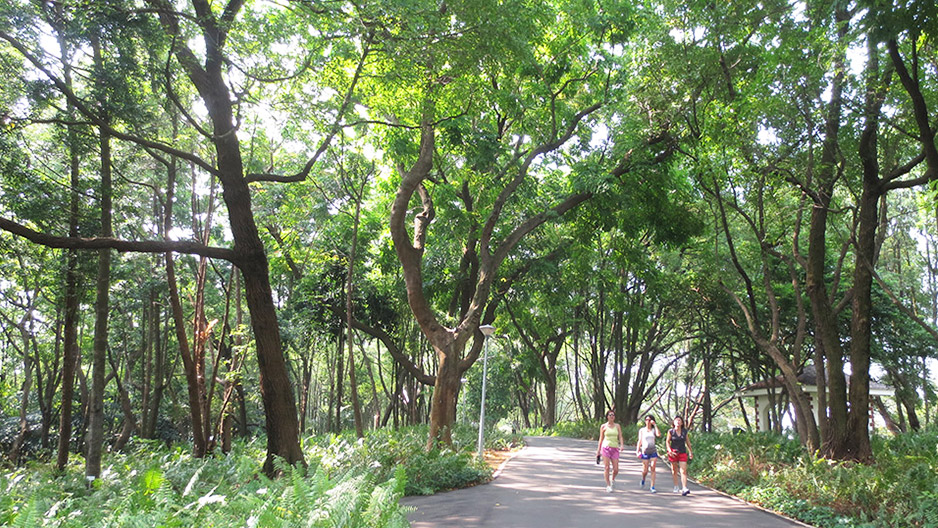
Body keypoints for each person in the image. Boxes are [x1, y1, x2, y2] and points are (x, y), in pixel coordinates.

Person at [596, 409, 623, 492]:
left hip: (615, 448)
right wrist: (598, 451)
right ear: (607, 417)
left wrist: (621, 445)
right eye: (610, 415)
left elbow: (620, 436)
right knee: (607, 467)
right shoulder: (603, 426)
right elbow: (601, 439)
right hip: (606, 448)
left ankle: (613, 479)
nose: (612, 416)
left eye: (613, 415)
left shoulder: (617, 426)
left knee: (616, 469)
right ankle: (608, 485)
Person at [666, 415, 693, 496]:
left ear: (681, 423)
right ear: (674, 422)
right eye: (676, 420)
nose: (678, 422)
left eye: (679, 420)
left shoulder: (684, 432)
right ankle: (676, 486)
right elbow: (667, 442)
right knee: (674, 470)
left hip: (682, 452)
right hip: (673, 453)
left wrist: (690, 452)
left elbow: (688, 442)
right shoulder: (671, 431)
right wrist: (669, 450)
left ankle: (684, 488)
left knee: (683, 470)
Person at [635, 414, 661, 493]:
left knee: (653, 468)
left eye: (649, 420)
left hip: (653, 451)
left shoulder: (653, 430)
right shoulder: (642, 430)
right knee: (645, 470)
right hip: (645, 451)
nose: (648, 421)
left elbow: (658, 435)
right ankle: (643, 479)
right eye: (646, 420)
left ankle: (652, 486)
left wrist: (655, 425)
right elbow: (640, 440)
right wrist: (637, 450)